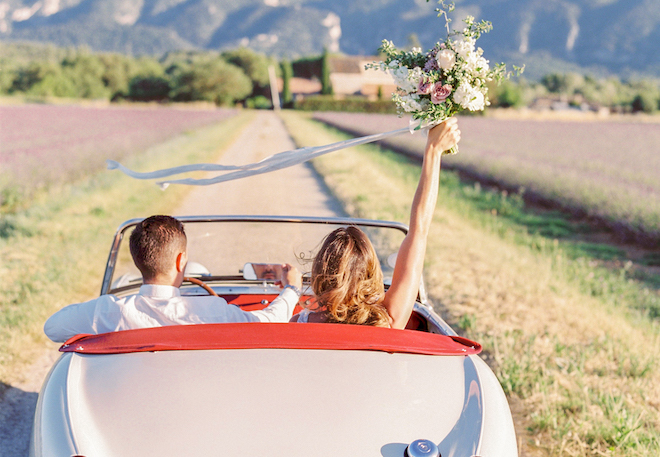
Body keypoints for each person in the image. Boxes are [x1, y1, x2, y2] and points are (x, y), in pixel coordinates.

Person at [292, 117, 461, 329]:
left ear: (320, 274)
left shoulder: (300, 324)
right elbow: (419, 230)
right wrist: (433, 150)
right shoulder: (389, 320)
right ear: (372, 275)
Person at [44, 215, 303, 343]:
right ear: (181, 261)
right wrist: (292, 288)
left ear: (138, 260)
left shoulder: (110, 311)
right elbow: (269, 322)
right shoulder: (211, 310)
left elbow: (52, 328)